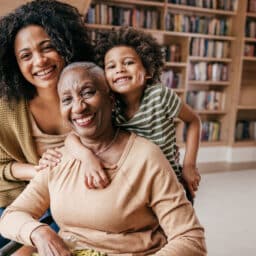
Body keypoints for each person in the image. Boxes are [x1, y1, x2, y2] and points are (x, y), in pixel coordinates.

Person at [0, 62, 207, 256]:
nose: (79, 107)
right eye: (67, 99)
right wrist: (38, 232)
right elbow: (11, 216)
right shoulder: (58, 158)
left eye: (88, 93)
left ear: (110, 99)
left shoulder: (146, 157)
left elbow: (191, 239)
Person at [66, 27, 201, 202]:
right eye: (111, 66)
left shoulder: (160, 96)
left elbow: (194, 121)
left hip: (169, 183)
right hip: (130, 187)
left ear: (148, 71)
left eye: (128, 62)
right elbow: (71, 137)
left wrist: (189, 165)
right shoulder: (107, 106)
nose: (120, 69)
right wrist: (87, 157)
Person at [0, 0, 94, 248]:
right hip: (18, 198)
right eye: (26, 56)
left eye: (48, 47)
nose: (39, 61)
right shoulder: (5, 109)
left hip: (81, 200)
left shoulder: (96, 95)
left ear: (67, 46)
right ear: (15, 65)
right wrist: (36, 171)